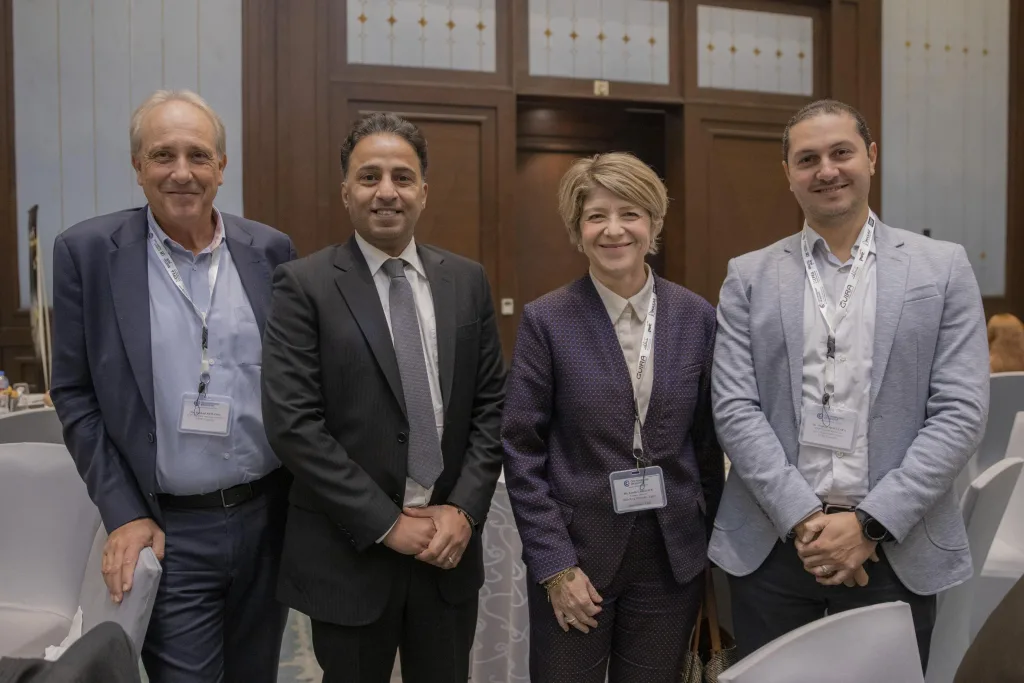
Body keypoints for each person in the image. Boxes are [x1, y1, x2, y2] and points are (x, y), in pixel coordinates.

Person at [708, 99, 989, 670]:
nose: (827, 170)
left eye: (842, 152)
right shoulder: (749, 276)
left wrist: (867, 525)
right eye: (807, 158)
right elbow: (734, 407)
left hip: (894, 545)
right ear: (787, 173)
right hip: (775, 546)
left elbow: (960, 411)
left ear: (872, 157)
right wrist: (807, 523)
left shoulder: (942, 268)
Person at [50, 89, 296, 683]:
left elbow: (298, 383)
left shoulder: (270, 251)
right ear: (137, 168)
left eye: (198, 156)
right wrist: (124, 512)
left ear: (221, 167)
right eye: (163, 155)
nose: (182, 172)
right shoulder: (87, 253)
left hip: (268, 518)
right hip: (169, 530)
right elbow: (75, 395)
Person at [260, 112, 506, 683]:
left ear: (424, 190)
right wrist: (387, 523)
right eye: (369, 177)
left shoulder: (466, 281)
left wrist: (464, 510)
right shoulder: (305, 286)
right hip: (351, 553)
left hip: (447, 551)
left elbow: (493, 406)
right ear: (345, 191)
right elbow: (294, 425)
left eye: (402, 176)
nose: (386, 191)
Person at [502, 152, 724, 683]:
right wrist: (555, 566)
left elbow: (706, 442)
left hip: (672, 557)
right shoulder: (548, 320)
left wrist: (711, 551)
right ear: (578, 231)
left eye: (630, 213)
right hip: (578, 555)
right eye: (596, 216)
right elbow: (520, 448)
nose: (614, 229)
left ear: (654, 224)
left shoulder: (697, 316)